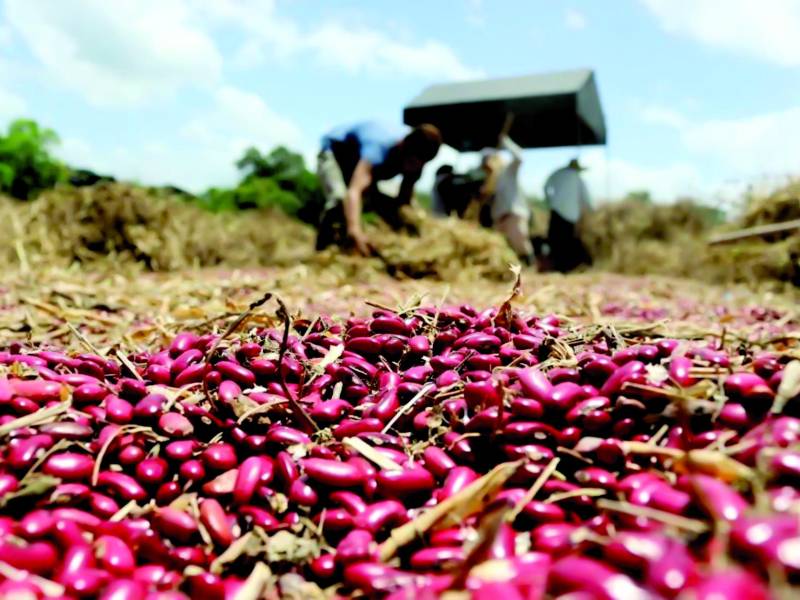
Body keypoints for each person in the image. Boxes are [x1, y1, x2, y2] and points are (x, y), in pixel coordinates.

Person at [316, 121, 442, 255]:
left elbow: (403, 203)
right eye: (411, 161)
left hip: (362, 162)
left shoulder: (419, 160)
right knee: (339, 199)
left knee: (391, 209)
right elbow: (354, 191)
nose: (414, 167)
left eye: (420, 163)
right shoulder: (378, 148)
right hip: (335, 152)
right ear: (402, 146)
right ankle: (322, 251)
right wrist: (354, 229)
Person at [542, 158, 593, 272]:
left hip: (556, 211)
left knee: (554, 240)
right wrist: (592, 211)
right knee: (567, 242)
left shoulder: (558, 173)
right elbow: (586, 199)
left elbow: (545, 187)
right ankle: (565, 268)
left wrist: (550, 202)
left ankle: (554, 266)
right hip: (571, 215)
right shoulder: (578, 178)